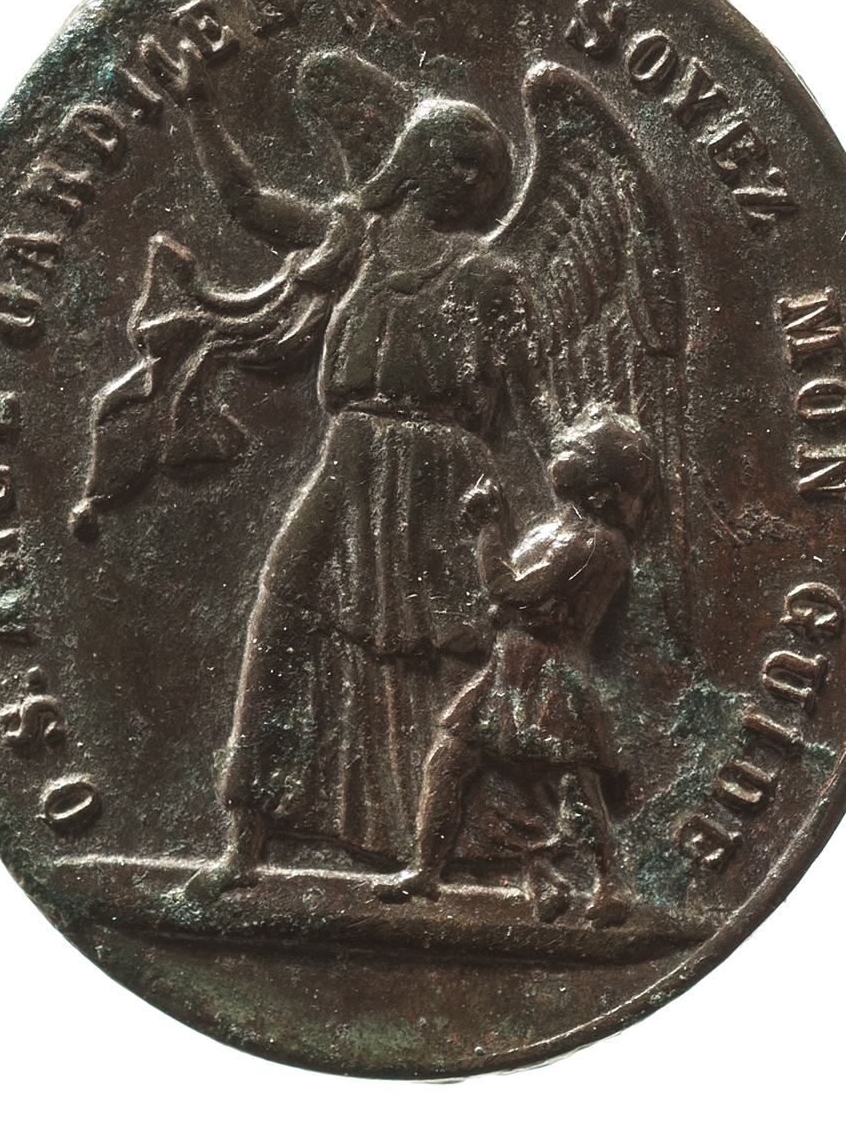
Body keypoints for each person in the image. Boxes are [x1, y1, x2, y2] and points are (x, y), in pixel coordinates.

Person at [184, 84, 554, 898]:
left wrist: (583, 494)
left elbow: (540, 413)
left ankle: (528, 855)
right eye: (462, 159)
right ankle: (245, 841)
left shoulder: (491, 279)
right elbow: (246, 202)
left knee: (462, 652)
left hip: (449, 475)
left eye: (487, 172)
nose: (473, 181)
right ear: (420, 157)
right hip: (351, 459)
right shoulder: (353, 239)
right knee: (283, 609)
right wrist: (199, 106)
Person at [373, 406, 654, 925]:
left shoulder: (593, 542)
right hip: (509, 668)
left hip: (550, 676)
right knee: (448, 759)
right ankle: (427, 869)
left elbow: (510, 590)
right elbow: (514, 604)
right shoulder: (560, 530)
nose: (561, 451)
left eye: (577, 449)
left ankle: (610, 882)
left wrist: (489, 530)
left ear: (602, 485)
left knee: (575, 785)